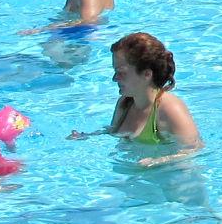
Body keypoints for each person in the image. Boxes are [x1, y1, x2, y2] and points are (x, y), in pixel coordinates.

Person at [70, 32, 202, 166]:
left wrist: (158, 161)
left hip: (171, 179)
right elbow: (114, 131)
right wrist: (89, 135)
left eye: (121, 72)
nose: (114, 78)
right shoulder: (125, 103)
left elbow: (194, 149)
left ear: (146, 74)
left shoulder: (170, 108)